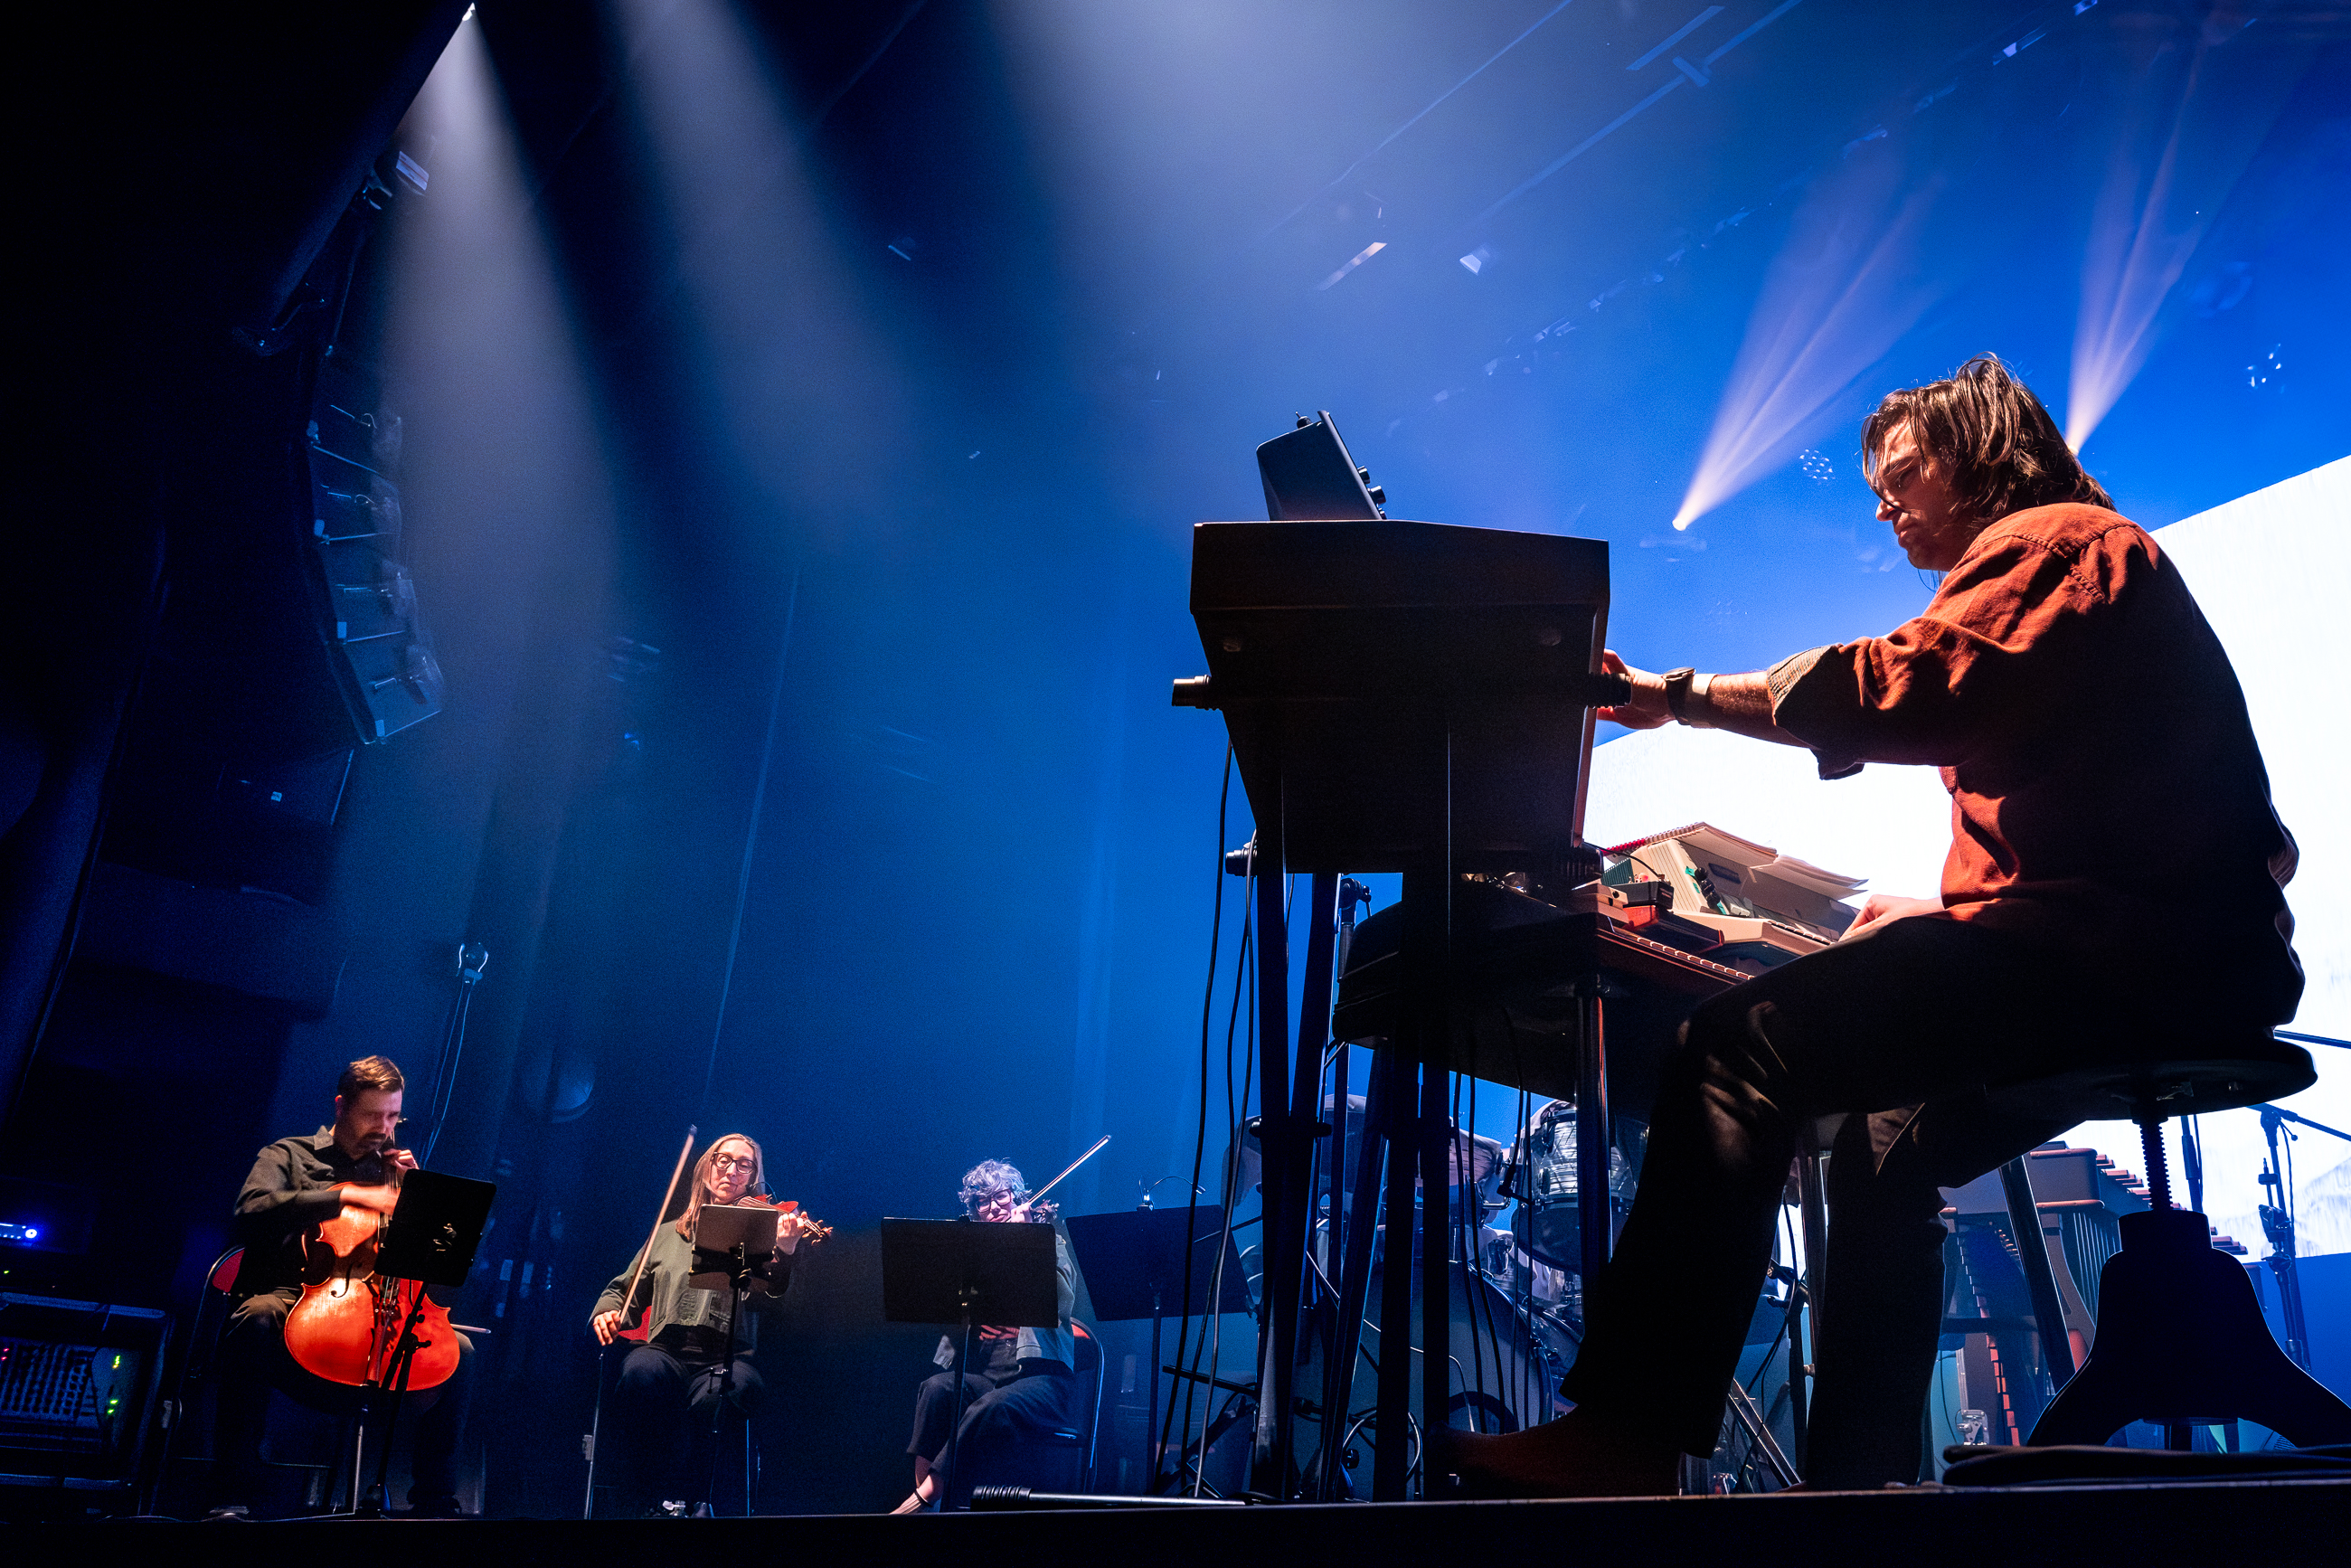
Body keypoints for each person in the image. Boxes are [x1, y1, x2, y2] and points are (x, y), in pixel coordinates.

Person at [1443, 354, 2301, 1497]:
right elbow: (2138, 829)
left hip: (2119, 964)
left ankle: (1625, 1437)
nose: (1884, 508)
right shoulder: (2089, 570)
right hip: (2158, 956)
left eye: (1901, 477)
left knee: (1730, 1049)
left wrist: (1673, 696)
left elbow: (1900, 686)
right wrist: (1951, 910)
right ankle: (1858, 1488)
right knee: (1879, 1145)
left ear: (1979, 453)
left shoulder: (2051, 545)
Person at [213, 1055, 476, 1517]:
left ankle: (435, 1502)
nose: (384, 1129)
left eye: (393, 1117)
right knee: (255, 1317)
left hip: (377, 1318)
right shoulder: (288, 1154)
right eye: (373, 1115)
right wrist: (345, 1194)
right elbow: (250, 1211)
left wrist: (421, 1203)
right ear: (341, 1106)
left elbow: (436, 1272)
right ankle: (233, 1492)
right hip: (296, 1304)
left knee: (460, 1351)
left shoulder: (395, 1173)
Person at [590, 1133, 815, 1516]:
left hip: (726, 1356)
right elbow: (622, 1290)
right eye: (723, 1160)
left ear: (754, 1178)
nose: (731, 1170)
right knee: (641, 1371)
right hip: (666, 1351)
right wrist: (607, 1313)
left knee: (728, 1390)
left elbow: (771, 1301)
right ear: (706, 1167)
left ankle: (695, 1499)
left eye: (745, 1165)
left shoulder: (762, 1238)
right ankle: (648, 1497)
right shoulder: (667, 1235)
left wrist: (785, 1250)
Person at [891, 1159, 1079, 1513]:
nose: (992, 1207)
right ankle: (931, 1509)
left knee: (990, 1407)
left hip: (1042, 1381)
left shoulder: (1047, 1241)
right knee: (936, 1389)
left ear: (1018, 1198)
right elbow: (943, 1313)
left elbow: (1062, 1302)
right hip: (988, 1377)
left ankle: (923, 1499)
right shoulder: (970, 1255)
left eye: (1001, 1197)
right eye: (982, 1201)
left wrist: (1027, 1242)